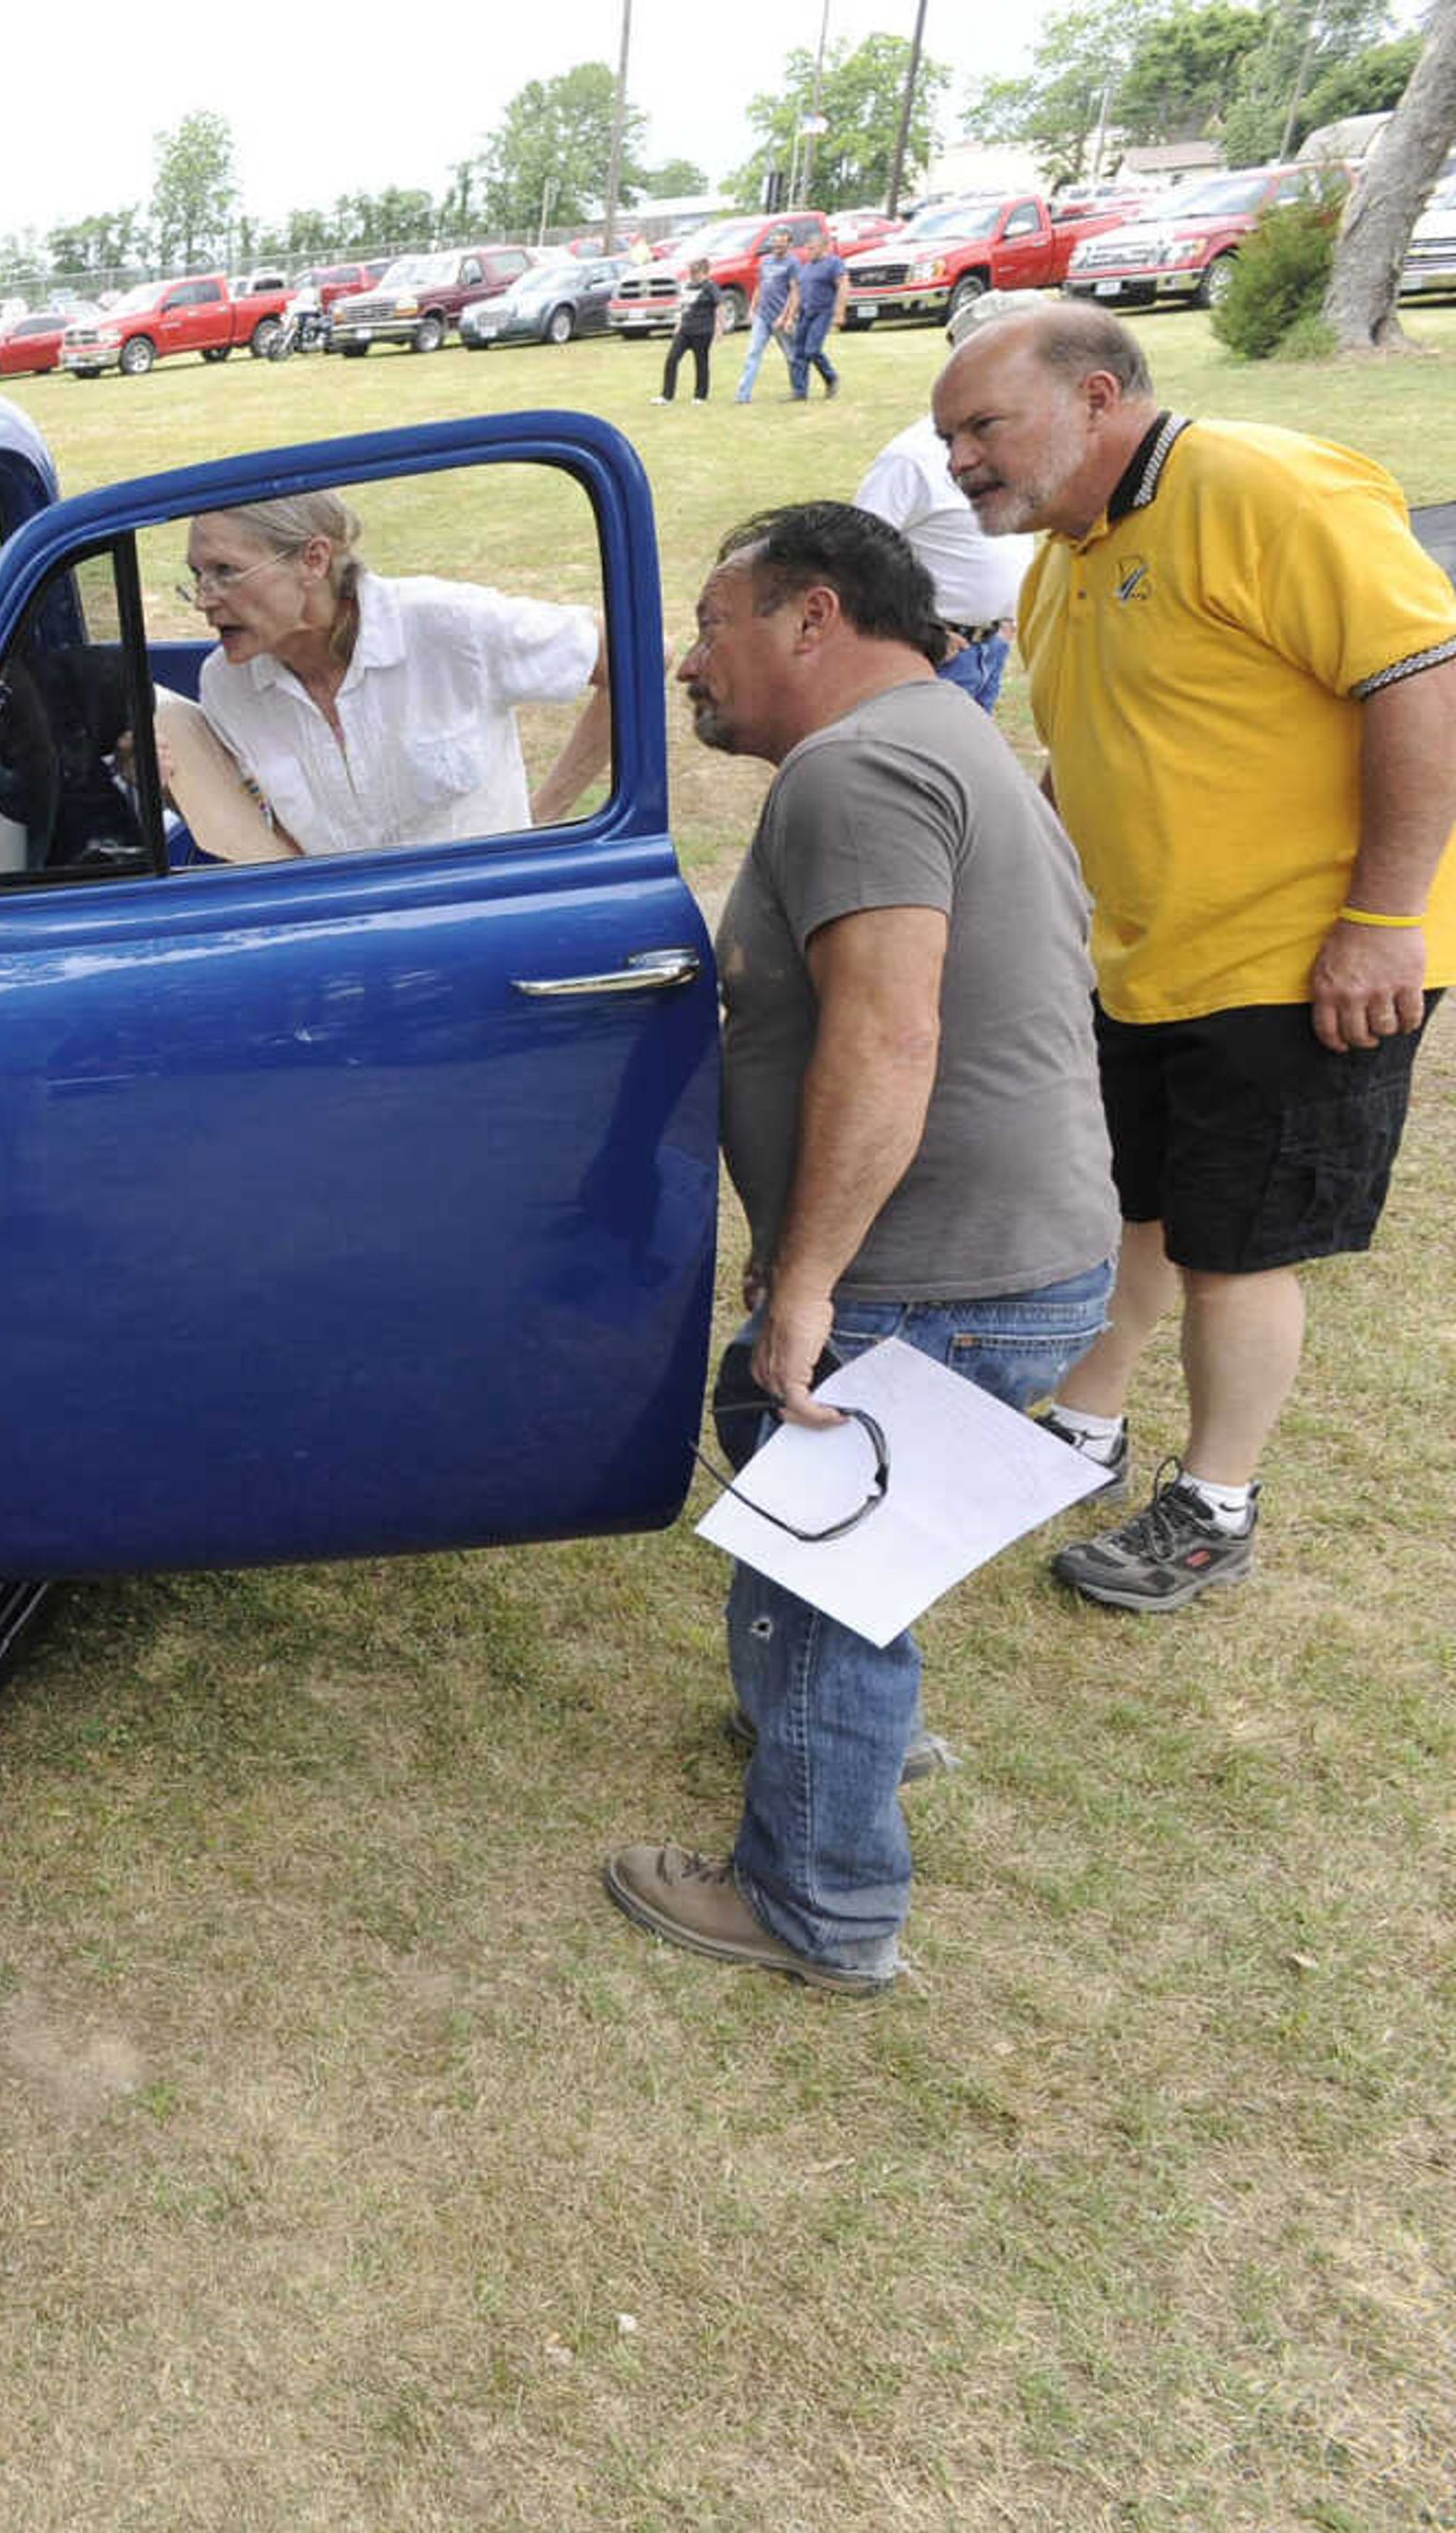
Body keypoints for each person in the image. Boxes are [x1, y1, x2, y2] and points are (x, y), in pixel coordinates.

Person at [606, 501, 1117, 1994]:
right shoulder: (939, 738)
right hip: (1008, 1247)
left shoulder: (860, 769)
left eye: (713, 625)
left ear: (812, 618)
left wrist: (811, 1285)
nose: (691, 662)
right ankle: (827, 1731)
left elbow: (889, 1037)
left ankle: (816, 1907)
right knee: (779, 1454)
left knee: (828, 1576)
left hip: (941, 1269)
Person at [933, 304, 1456, 1612]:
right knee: (1135, 1211)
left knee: (1238, 1243)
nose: (960, 462)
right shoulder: (1061, 560)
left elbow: (1422, 679)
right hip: (1145, 958)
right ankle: (1087, 1428)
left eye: (984, 427)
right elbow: (1091, 758)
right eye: (948, 438)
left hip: (1299, 958)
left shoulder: (1264, 486)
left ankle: (1217, 1505)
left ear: (1097, 396)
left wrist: (1382, 919)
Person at [152, 490, 612, 861]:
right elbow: (272, 837)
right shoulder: (225, 685)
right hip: (356, 947)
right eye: (197, 576)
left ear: (313, 559)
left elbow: (629, 652)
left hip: (487, 925)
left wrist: (540, 821)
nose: (202, 601)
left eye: (224, 572)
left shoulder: (447, 625)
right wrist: (172, 786)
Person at [851, 290, 1035, 711]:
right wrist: (922, 632)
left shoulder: (1024, 447)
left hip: (988, 649)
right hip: (935, 659)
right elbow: (850, 558)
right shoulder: (913, 458)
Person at [733, 225, 806, 404]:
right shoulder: (765, 261)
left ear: (789, 244)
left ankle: (799, 390)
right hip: (762, 316)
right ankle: (743, 396)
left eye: (781, 245)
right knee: (753, 353)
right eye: (775, 244)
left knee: (791, 355)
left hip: (781, 318)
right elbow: (760, 287)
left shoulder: (793, 263)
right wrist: (752, 309)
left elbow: (795, 292)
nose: (777, 248)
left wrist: (787, 317)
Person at [784, 230, 846, 400]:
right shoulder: (806, 268)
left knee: (812, 350)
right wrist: (790, 317)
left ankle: (831, 378)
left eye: (811, 248)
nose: (808, 252)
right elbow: (797, 294)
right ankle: (799, 391)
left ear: (822, 247)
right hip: (805, 313)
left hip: (823, 312)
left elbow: (843, 285)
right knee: (798, 352)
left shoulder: (834, 263)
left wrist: (840, 312)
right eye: (807, 249)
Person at [653, 259, 720, 405]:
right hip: (685, 330)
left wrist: (718, 328)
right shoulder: (687, 286)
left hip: (703, 331)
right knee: (672, 359)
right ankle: (666, 396)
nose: (692, 275)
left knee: (701, 362)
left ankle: (700, 396)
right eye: (691, 272)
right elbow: (684, 307)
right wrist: (678, 324)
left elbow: (718, 306)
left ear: (703, 272)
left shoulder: (710, 287)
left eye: (695, 272)